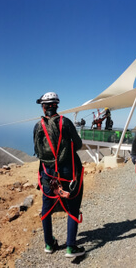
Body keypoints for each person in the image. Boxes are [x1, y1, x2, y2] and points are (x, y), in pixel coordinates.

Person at [32, 92, 86, 258]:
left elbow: (36, 150)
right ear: (56, 105)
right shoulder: (66, 123)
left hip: (47, 174)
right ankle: (71, 247)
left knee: (46, 208)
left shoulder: (38, 126)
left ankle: (49, 243)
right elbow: (78, 144)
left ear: (43, 106)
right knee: (72, 206)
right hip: (67, 173)